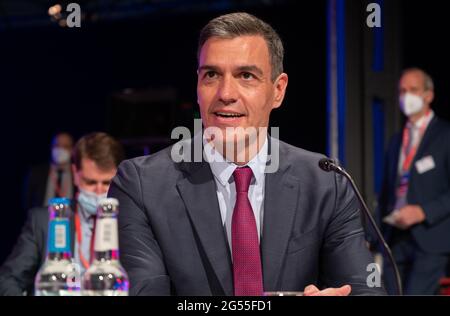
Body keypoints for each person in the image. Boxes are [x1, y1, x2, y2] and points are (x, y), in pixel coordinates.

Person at [109, 12, 385, 296]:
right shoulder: (141, 185)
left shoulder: (327, 182)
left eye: (246, 76)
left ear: (278, 91)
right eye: (212, 75)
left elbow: (366, 290)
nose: (226, 93)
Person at [0, 132, 125, 295]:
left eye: (107, 182)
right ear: (75, 174)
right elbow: (8, 279)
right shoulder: (43, 221)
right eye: (91, 182)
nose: (99, 191)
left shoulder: (131, 222)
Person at [377, 68, 450, 295]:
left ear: (428, 95)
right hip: (395, 237)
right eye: (402, 91)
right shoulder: (397, 140)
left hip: (430, 238)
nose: (406, 96)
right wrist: (372, 235)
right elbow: (387, 193)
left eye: (413, 90)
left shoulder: (445, 135)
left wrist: (423, 212)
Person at [23, 132, 75, 211]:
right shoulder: (36, 172)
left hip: (69, 220)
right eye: (57, 145)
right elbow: (26, 202)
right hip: (42, 220)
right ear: (51, 148)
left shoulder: (77, 174)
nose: (60, 150)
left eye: (65, 146)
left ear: (72, 150)